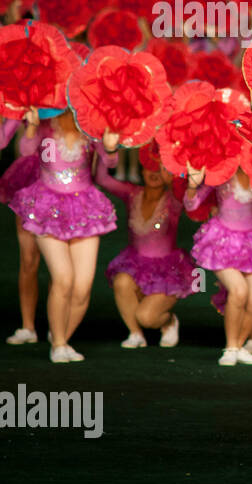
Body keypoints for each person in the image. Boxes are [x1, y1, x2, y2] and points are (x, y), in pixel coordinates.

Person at [11, 111, 120, 362]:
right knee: (63, 278)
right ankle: (58, 344)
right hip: (47, 207)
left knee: (82, 288)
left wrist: (111, 148)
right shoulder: (47, 125)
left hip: (85, 208)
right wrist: (31, 127)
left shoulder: (92, 126)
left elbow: (109, 163)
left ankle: (61, 336)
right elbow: (27, 151)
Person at [184, 167, 252, 366]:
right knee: (239, 291)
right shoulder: (221, 171)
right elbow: (192, 205)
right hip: (221, 240)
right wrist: (191, 186)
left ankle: (238, 347)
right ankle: (230, 348)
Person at [96, 143, 191, 348]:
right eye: (150, 166)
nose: (155, 172)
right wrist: (106, 147)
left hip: (167, 270)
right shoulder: (132, 193)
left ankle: (168, 321)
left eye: (160, 168)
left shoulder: (174, 201)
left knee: (146, 317)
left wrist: (175, 178)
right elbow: (102, 179)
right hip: (136, 265)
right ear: (141, 169)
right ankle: (135, 334)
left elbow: (189, 195)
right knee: (121, 282)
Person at [0, 107, 43, 346]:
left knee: (63, 267)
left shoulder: (65, 106)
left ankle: (61, 327)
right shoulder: (22, 104)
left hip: (65, 188)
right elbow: (19, 147)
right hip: (29, 187)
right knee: (28, 259)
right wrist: (29, 126)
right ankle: (28, 326)